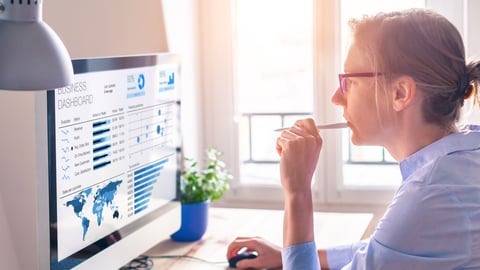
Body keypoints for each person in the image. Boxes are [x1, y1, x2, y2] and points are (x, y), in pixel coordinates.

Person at [227, 8, 480, 269]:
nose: (336, 97)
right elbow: (382, 248)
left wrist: (298, 191)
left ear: (400, 93)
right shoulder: (463, 159)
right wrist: (287, 256)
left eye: (349, 81)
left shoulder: (430, 193)